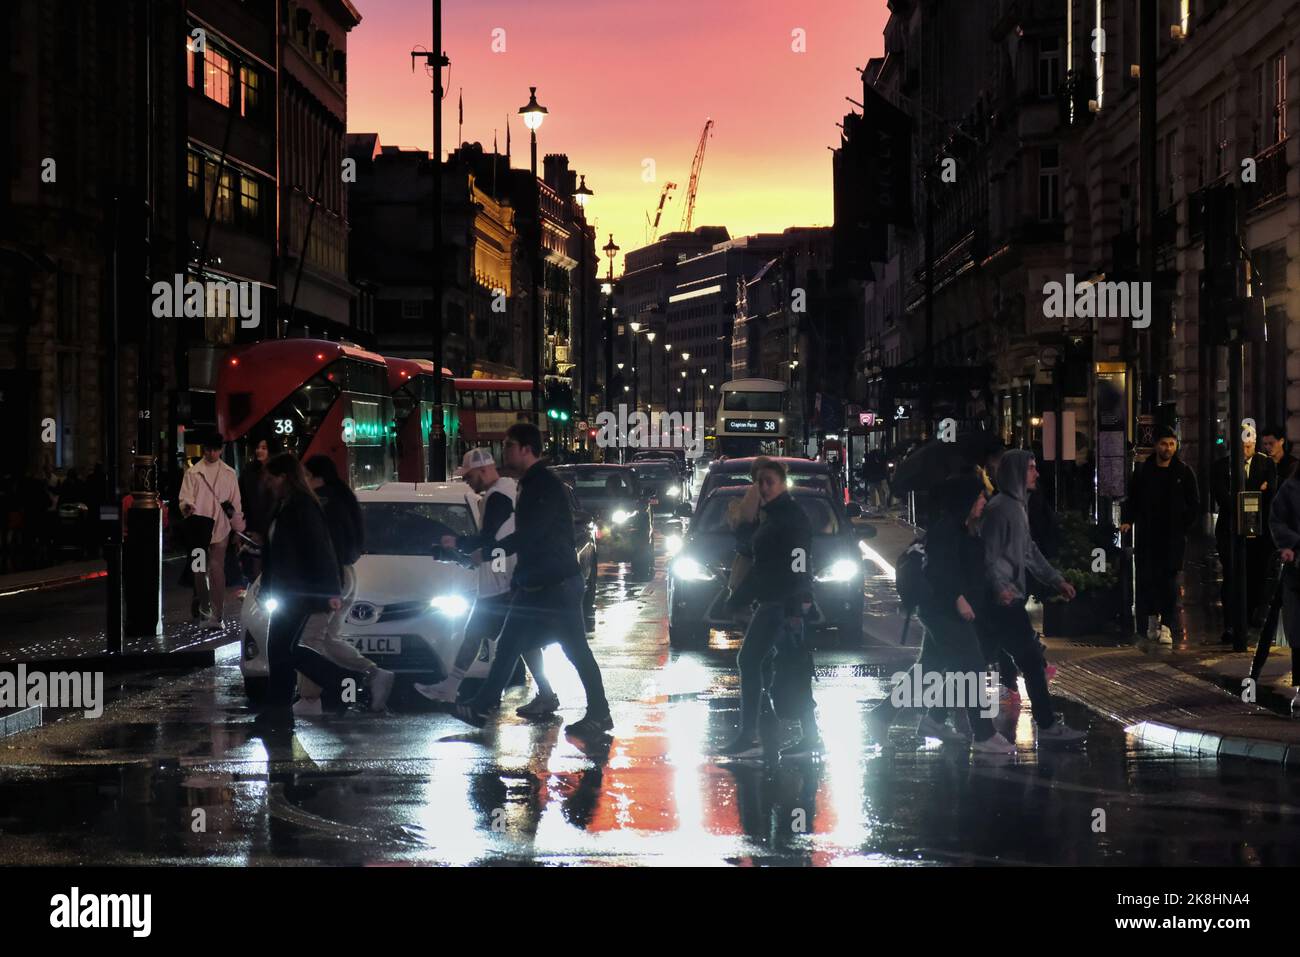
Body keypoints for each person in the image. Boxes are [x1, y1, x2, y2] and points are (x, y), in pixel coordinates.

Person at [445, 423, 613, 737]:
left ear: (525, 448)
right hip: (538, 582)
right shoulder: (529, 484)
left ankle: (600, 714)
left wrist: (492, 549)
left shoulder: (544, 485)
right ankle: (482, 705)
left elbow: (531, 535)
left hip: (555, 583)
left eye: (509, 445)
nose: (503, 451)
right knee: (510, 643)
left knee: (573, 650)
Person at [415, 448, 559, 717]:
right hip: (505, 574)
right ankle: (544, 694)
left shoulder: (497, 497)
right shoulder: (505, 491)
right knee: (522, 642)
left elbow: (491, 539)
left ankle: (465, 695)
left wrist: (458, 543)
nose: (467, 481)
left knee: (482, 634)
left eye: (469, 476)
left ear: (483, 470)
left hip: (500, 579)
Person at [980, 449, 1087, 746]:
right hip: (1003, 601)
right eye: (1030, 468)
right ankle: (1046, 724)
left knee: (968, 660)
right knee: (1028, 660)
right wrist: (1000, 587)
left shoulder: (1015, 507)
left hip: (1006, 598)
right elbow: (989, 556)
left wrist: (1056, 580)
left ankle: (937, 719)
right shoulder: (1003, 509)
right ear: (1016, 472)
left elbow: (1029, 553)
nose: (1036, 473)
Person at [719, 457, 822, 760]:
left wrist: (797, 603)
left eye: (769, 482)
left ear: (782, 483)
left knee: (754, 660)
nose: (763, 487)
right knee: (791, 667)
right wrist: (737, 598)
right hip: (774, 601)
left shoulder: (791, 516)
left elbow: (801, 559)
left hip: (781, 603)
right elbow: (759, 562)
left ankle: (750, 734)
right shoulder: (772, 516)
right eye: (759, 482)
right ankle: (807, 735)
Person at [260, 453, 376, 710]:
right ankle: (278, 709)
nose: (268, 483)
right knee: (282, 651)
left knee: (284, 649)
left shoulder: (302, 505)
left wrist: (329, 591)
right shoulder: (284, 505)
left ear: (284, 478)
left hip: (298, 592)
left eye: (271, 478)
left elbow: (320, 549)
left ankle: (344, 679)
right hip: (286, 591)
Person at [916, 476, 1016, 754]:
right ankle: (983, 734)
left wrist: (996, 591)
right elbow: (939, 571)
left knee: (931, 669)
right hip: (945, 612)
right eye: (980, 497)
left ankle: (923, 719)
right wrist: (959, 599)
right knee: (972, 667)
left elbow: (973, 569)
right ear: (966, 500)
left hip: (955, 611)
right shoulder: (946, 529)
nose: (984, 502)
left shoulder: (965, 528)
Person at [293, 455, 394, 716]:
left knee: (309, 639)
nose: (302, 480)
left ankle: (309, 698)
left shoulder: (323, 503)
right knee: (328, 638)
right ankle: (374, 673)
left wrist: (326, 582)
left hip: (330, 577)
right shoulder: (342, 498)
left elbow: (327, 545)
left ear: (317, 477)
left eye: (305, 475)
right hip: (346, 574)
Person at [1120, 427, 1200, 644]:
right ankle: (1152, 619)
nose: (1168, 448)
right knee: (1148, 579)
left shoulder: (1183, 472)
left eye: (1172, 444)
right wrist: (1128, 521)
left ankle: (1166, 624)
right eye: (1164, 444)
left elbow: (1194, 504)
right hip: (1148, 536)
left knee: (1169, 582)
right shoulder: (1144, 472)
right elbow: (1133, 499)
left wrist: (1184, 525)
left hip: (1172, 537)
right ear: (1156, 445)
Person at [1210, 429, 1275, 647]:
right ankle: (1231, 624)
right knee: (1231, 575)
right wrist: (1253, 494)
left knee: (1255, 575)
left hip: (1257, 532)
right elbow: (1222, 495)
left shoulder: (1266, 465)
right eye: (1243, 444)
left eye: (1250, 444)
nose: (1247, 448)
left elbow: (1270, 494)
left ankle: (1248, 620)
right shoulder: (1222, 466)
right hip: (1230, 529)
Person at [178, 432, 245, 628]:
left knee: (215, 567)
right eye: (207, 449)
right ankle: (207, 609)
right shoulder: (193, 472)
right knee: (200, 569)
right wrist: (187, 507)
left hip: (219, 525)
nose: (210, 453)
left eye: (214, 449)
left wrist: (237, 526)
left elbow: (236, 502)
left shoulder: (228, 473)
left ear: (221, 449)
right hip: (199, 527)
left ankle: (216, 613)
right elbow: (185, 498)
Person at [1266, 469, 1300, 714]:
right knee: (1298, 630)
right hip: (1298, 570)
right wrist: (1289, 544)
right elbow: (1276, 520)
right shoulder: (1290, 488)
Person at [239, 439, 277, 583]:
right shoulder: (249, 472)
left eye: (264, 448)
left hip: (272, 528)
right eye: (257, 447)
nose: (259, 451)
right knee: (255, 569)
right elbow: (242, 500)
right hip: (253, 528)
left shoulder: (278, 472)